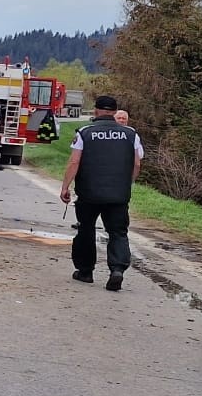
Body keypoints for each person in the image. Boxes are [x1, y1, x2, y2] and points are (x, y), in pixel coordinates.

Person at [59, 96, 141, 291]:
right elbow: (137, 163)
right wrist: (127, 183)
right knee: (118, 232)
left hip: (89, 193)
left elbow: (74, 162)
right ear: (115, 112)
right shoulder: (131, 134)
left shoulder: (85, 132)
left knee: (86, 230)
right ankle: (117, 269)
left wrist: (65, 186)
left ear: (96, 111)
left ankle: (85, 271)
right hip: (118, 194)